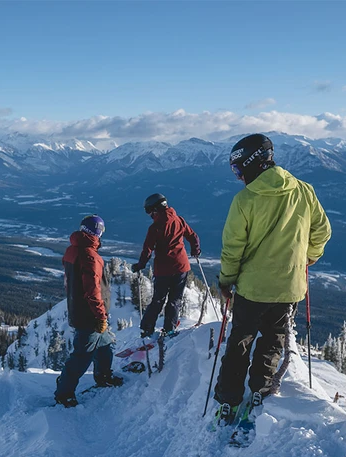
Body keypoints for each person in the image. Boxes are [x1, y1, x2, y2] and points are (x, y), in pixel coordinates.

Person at [214, 133, 331, 423]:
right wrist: (308, 257)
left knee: (241, 340)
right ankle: (261, 389)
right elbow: (322, 231)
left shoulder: (245, 200)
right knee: (272, 341)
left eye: (238, 169)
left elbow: (233, 248)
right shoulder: (304, 191)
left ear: (252, 163)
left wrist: (226, 281)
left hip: (252, 289)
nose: (238, 177)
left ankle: (229, 397)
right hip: (289, 288)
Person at [54, 214, 123, 407]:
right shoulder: (91, 257)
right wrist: (100, 315)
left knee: (105, 344)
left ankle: (103, 376)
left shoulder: (72, 250)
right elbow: (93, 290)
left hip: (77, 308)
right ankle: (64, 392)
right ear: (99, 232)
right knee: (82, 356)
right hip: (89, 314)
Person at [131, 193, 200, 338]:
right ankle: (170, 329)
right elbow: (192, 235)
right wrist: (195, 249)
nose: (149, 214)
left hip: (163, 270)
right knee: (175, 300)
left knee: (158, 299)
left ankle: (146, 329)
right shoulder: (179, 220)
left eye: (149, 211)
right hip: (181, 267)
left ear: (156, 209)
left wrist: (140, 265)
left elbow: (147, 250)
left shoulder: (155, 227)